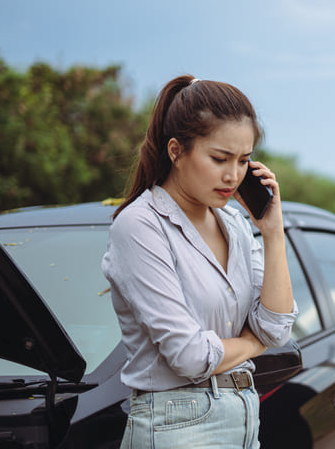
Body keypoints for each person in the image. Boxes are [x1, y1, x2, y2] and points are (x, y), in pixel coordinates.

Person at [102, 75, 297, 448]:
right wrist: (254, 344)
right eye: (219, 158)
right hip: (177, 424)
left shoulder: (235, 223)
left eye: (244, 160)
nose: (233, 175)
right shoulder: (140, 226)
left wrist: (273, 233)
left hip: (244, 415)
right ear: (176, 151)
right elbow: (190, 357)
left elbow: (277, 326)